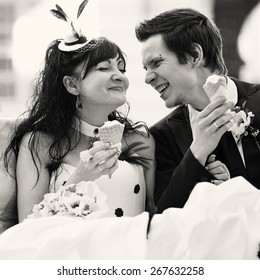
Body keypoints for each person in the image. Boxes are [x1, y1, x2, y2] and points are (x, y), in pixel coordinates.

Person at [3, 1, 156, 223]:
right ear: (72, 85)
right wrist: (80, 178)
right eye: (104, 68)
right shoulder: (39, 143)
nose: (120, 76)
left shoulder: (140, 139)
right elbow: (29, 227)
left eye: (121, 68)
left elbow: (156, 212)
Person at [135, 8, 260, 213]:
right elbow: (163, 217)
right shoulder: (162, 136)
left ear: (194, 55)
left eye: (156, 63)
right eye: (145, 69)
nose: (148, 77)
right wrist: (198, 151)